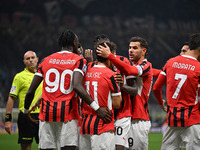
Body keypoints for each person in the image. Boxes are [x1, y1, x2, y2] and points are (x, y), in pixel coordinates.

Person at [24, 29, 112, 150]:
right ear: (75, 43)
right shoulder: (79, 60)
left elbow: (30, 91)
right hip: (68, 113)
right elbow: (77, 86)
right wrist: (97, 108)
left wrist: (25, 110)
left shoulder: (45, 60)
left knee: (46, 148)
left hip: (47, 113)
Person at [97, 36, 153, 150]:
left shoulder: (145, 65)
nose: (130, 50)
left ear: (144, 51)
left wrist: (110, 56)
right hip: (129, 117)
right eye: (129, 48)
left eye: (135, 48)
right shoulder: (132, 65)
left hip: (139, 118)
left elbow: (130, 71)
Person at [153, 33, 200, 149]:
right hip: (192, 119)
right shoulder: (198, 68)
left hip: (172, 120)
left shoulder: (170, 62)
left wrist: (160, 103)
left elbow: (156, 87)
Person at [79, 41, 122, 150]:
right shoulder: (112, 75)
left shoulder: (85, 71)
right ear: (109, 55)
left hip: (85, 125)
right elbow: (117, 104)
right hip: (103, 126)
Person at [4, 51, 42, 150]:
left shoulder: (44, 75)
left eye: (33, 58)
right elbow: (11, 98)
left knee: (49, 146)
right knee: (26, 148)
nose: (30, 60)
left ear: (37, 59)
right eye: (28, 59)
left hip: (43, 116)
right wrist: (8, 120)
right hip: (26, 116)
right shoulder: (19, 77)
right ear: (24, 61)